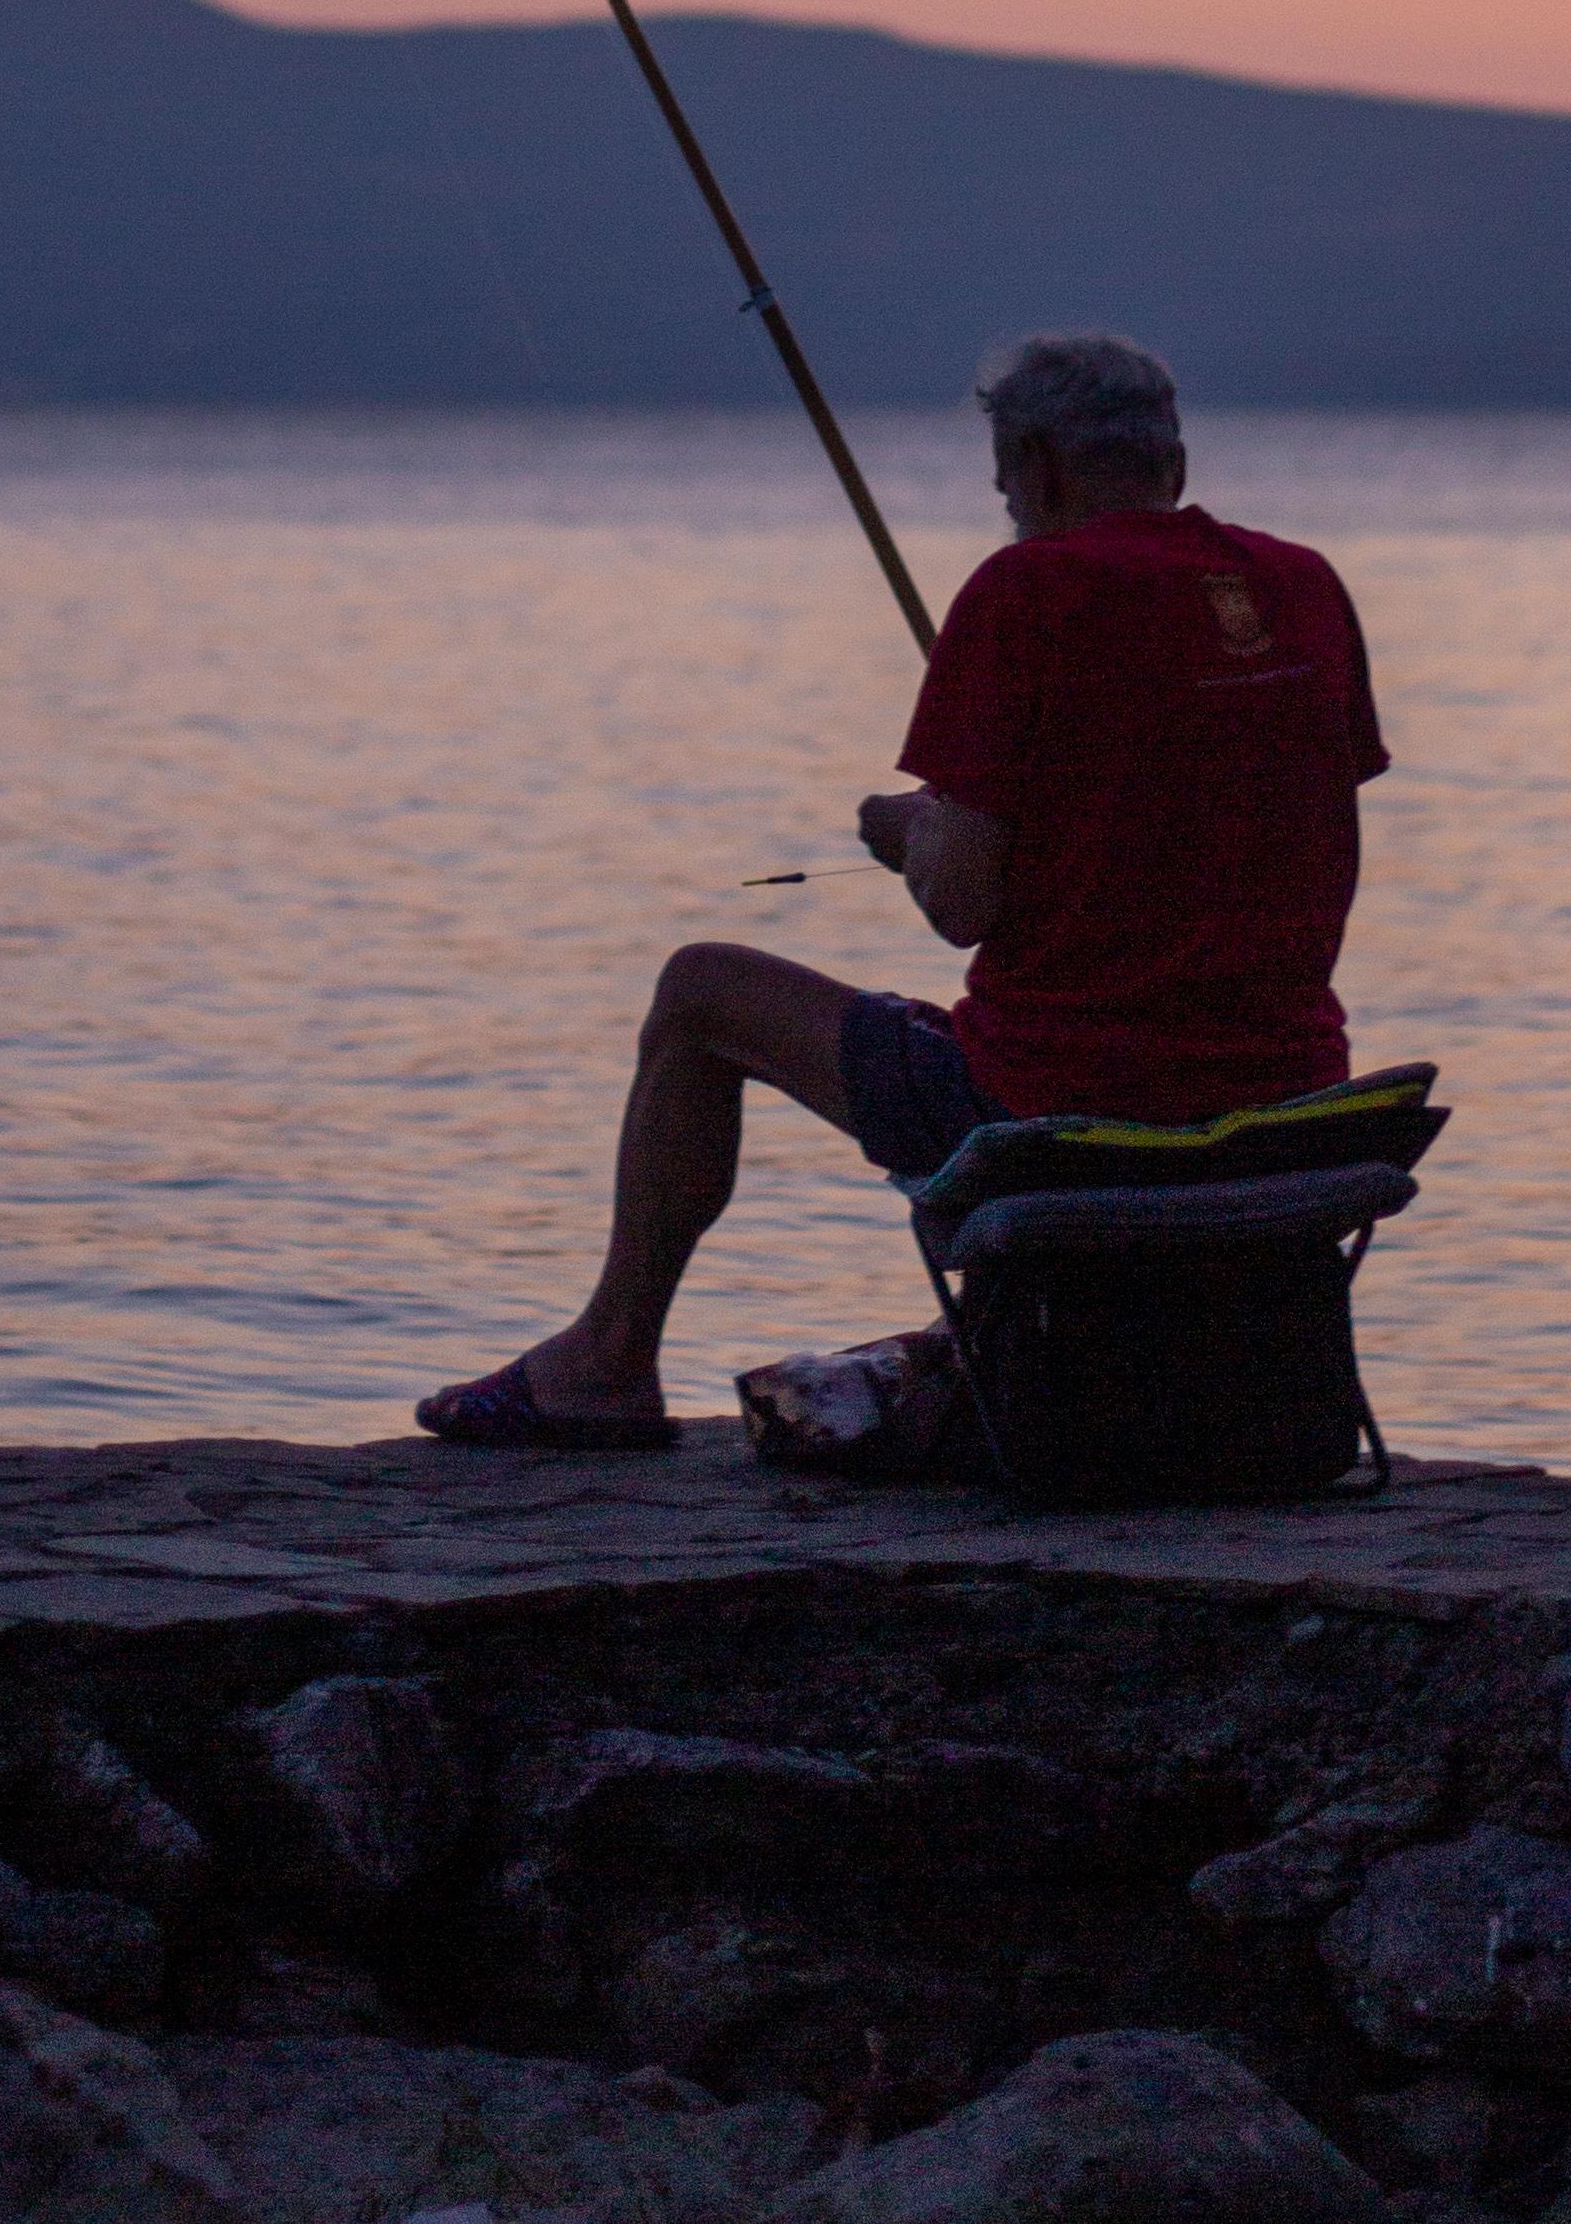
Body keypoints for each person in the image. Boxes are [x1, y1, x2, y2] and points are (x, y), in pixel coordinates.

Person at [417, 328, 1389, 1449]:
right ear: (1169, 464)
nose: (1005, 506)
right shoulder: (1302, 585)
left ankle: (604, 1363)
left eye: (1003, 483)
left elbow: (961, 909)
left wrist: (914, 832)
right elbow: (1269, 814)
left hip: (1057, 1112)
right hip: (1283, 1109)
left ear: (1035, 463)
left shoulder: (1024, 590)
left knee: (699, 992)